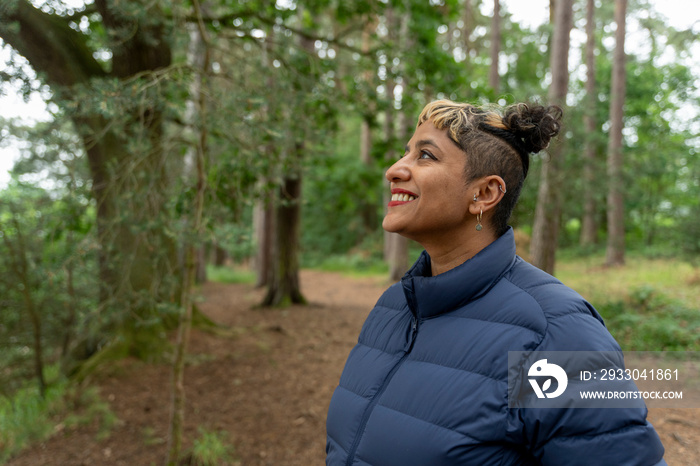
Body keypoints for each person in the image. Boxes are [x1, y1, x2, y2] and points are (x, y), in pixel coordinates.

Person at [325, 99, 666, 465]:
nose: (394, 170)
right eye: (406, 153)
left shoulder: (552, 334)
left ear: (485, 194)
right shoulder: (393, 308)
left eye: (425, 156)